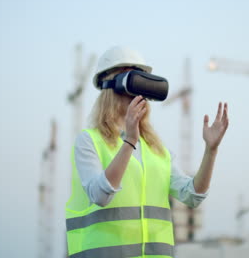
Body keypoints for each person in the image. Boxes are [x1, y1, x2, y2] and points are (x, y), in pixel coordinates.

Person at [65, 46, 229, 258]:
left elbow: (192, 195)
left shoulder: (155, 149)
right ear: (110, 85)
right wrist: (130, 141)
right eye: (130, 76)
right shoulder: (90, 141)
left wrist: (211, 150)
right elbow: (100, 195)